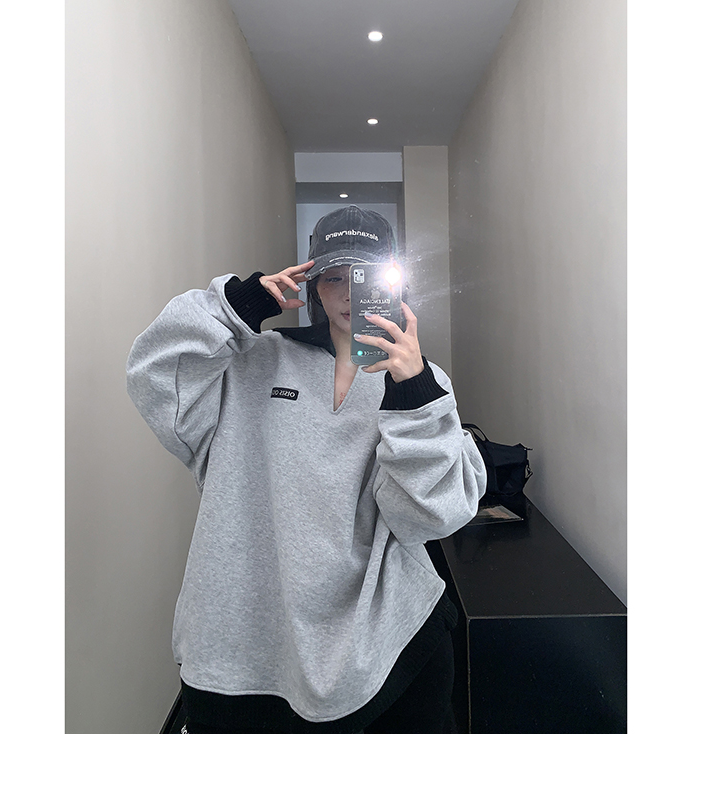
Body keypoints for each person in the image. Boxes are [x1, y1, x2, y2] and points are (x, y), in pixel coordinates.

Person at [126, 205, 486, 733]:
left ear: (394, 284)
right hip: (243, 642)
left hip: (388, 639)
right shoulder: (250, 363)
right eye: (334, 277)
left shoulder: (421, 381)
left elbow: (426, 517)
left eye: (366, 277)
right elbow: (157, 377)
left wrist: (413, 392)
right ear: (313, 285)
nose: (349, 294)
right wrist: (237, 306)